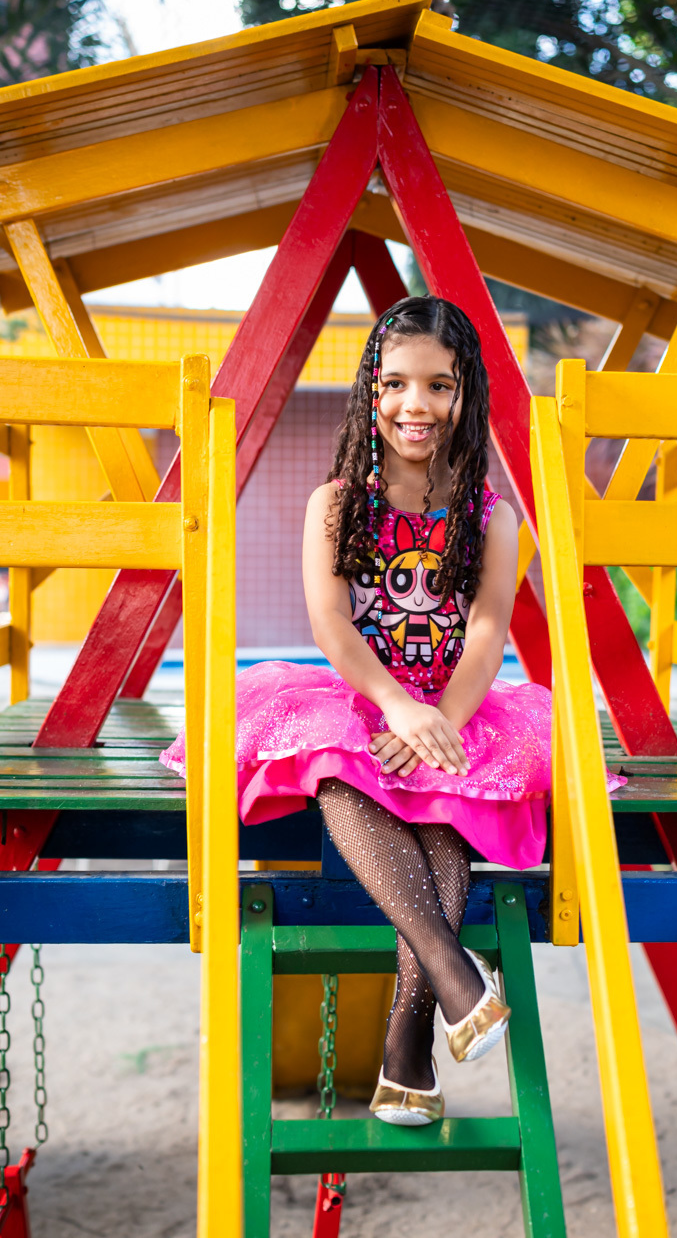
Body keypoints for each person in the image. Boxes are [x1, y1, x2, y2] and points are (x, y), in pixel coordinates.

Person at [161, 295, 625, 1127]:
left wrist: (438, 716)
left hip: (458, 703)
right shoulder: (335, 505)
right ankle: (452, 983)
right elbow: (332, 626)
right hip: (357, 696)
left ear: (465, 395)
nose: (418, 405)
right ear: (371, 389)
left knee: (449, 809)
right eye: (399, 383)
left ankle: (411, 1038)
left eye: (440, 386)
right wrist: (392, 707)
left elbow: (486, 631)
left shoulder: (492, 518)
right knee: (340, 771)